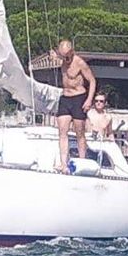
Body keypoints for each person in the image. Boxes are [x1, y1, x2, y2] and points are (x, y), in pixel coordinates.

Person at [53, 39, 96, 169]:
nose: (65, 59)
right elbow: (52, 56)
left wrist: (89, 100)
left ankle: (82, 161)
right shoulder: (61, 59)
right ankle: (63, 163)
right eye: (63, 56)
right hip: (65, 97)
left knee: (79, 132)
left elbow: (92, 81)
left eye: (67, 56)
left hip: (78, 97)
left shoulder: (80, 63)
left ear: (72, 52)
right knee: (62, 131)